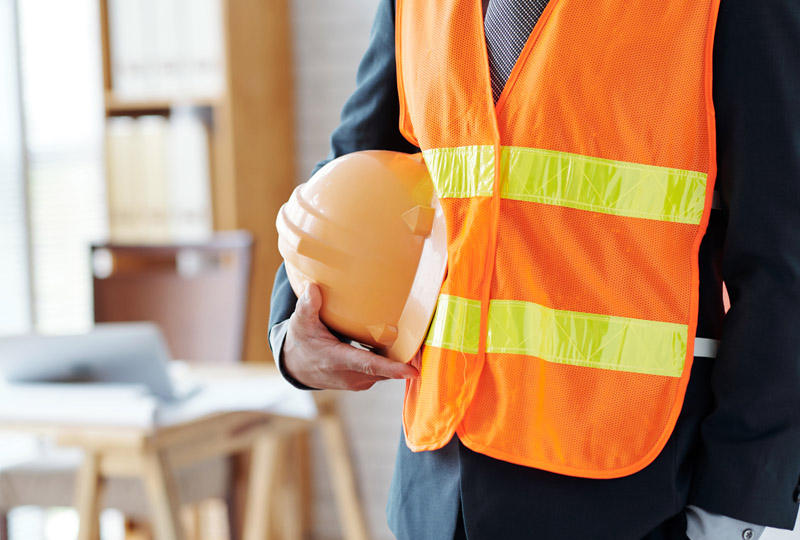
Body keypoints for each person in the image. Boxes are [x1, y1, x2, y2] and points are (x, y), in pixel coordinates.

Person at [269, 1, 800, 538]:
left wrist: (740, 508)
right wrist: (294, 331)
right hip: (436, 491)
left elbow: (782, 260)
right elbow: (357, 166)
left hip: (633, 492)